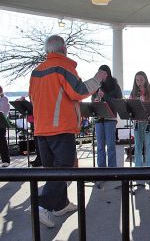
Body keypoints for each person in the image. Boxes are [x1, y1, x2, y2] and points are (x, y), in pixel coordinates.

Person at [29, 35, 107, 228]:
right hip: (61, 128)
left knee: (52, 170)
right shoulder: (64, 67)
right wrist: (97, 79)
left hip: (41, 129)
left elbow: (32, 97)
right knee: (64, 168)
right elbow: (78, 91)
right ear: (63, 48)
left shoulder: (36, 71)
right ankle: (42, 206)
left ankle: (60, 205)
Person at [92, 65, 122, 168]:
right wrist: (95, 99)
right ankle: (101, 169)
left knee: (110, 146)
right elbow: (92, 100)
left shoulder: (115, 86)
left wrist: (104, 96)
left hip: (110, 118)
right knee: (100, 146)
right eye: (98, 72)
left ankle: (112, 170)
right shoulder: (97, 85)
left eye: (101, 72)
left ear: (107, 73)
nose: (99, 74)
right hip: (99, 118)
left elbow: (117, 102)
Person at [129, 71, 150, 168]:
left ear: (145, 80)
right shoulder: (133, 92)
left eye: (141, 79)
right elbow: (130, 105)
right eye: (137, 80)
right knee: (138, 146)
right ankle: (138, 168)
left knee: (149, 146)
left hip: (147, 122)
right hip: (137, 122)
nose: (139, 82)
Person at [0, 86, 10, 167]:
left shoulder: (4, 99)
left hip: (1, 123)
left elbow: (4, 112)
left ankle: (5, 160)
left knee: (2, 141)